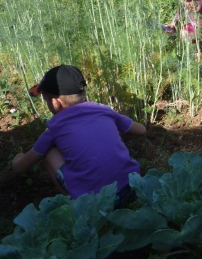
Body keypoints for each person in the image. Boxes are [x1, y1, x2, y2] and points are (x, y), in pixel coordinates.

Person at [12, 64, 146, 208]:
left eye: (46, 101)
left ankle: (73, 203)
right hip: (132, 188)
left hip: (94, 202)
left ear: (56, 103)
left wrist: (17, 158)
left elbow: (20, 168)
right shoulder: (103, 110)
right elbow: (141, 130)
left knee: (49, 152)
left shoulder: (55, 127)